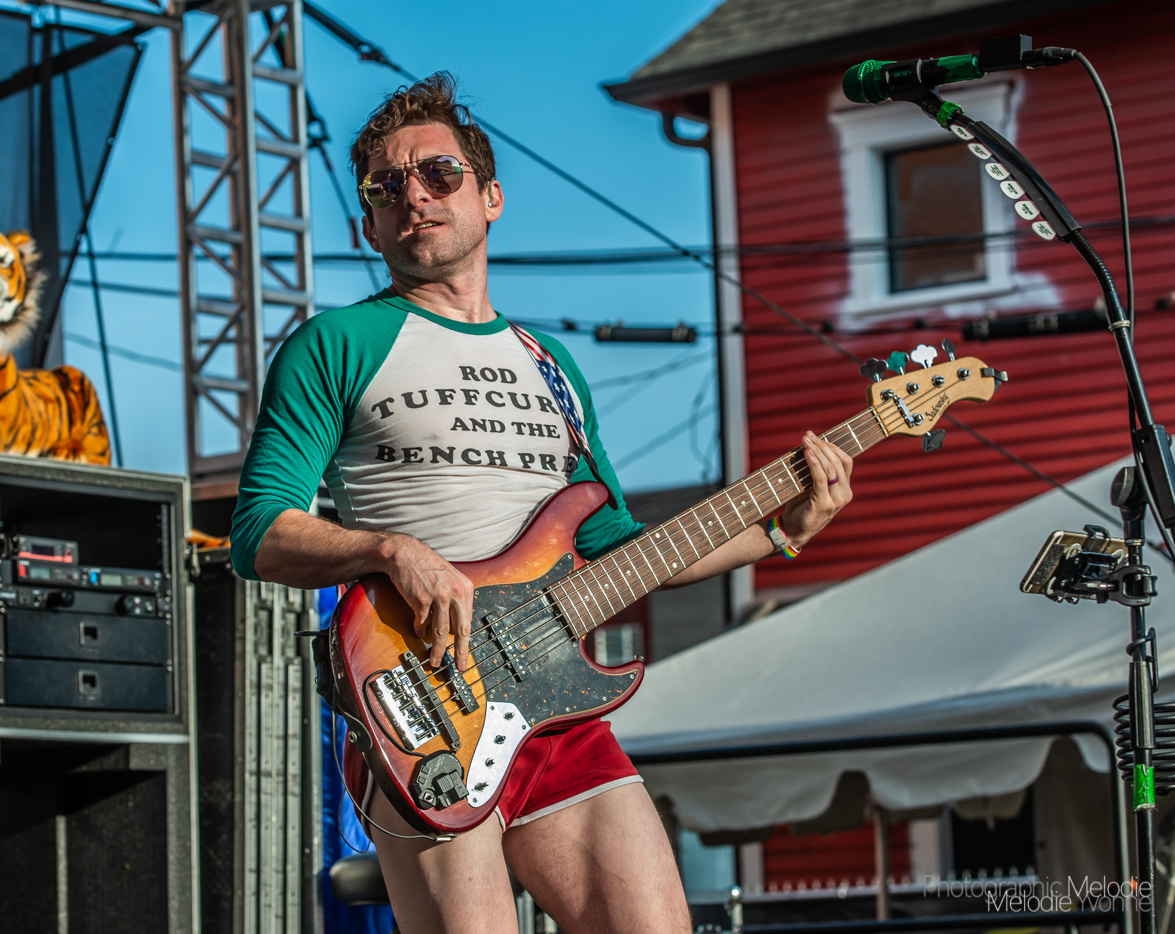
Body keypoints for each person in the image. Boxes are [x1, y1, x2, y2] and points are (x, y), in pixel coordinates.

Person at [230, 73, 855, 934]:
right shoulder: (335, 344)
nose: (414, 195)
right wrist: (390, 550)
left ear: (490, 197)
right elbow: (259, 532)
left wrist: (780, 534)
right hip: (421, 701)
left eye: (439, 173)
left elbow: (616, 546)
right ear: (368, 224)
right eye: (386, 187)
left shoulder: (551, 365)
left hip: (556, 702)